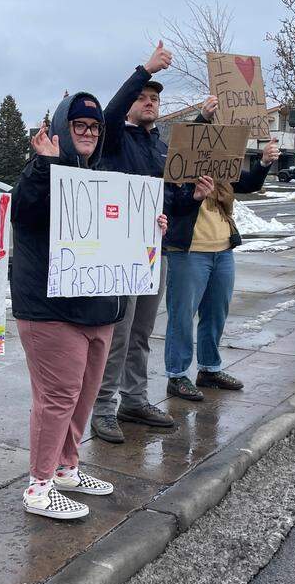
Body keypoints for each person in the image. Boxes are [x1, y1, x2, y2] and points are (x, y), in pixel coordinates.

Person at [10, 92, 168, 519]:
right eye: (79, 125)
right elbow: (23, 212)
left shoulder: (104, 178)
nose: (88, 133)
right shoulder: (40, 173)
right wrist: (44, 164)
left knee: (84, 396)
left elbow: (119, 234)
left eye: (94, 127)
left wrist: (147, 227)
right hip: (49, 311)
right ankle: (39, 486)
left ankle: (66, 468)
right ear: (63, 128)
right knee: (58, 396)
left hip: (99, 309)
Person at [88, 41, 218, 442]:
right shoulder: (114, 139)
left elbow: (171, 201)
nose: (149, 103)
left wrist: (193, 197)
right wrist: (145, 70)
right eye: (142, 98)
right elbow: (108, 114)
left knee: (141, 332)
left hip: (152, 251)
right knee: (118, 333)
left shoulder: (160, 147)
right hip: (118, 251)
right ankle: (104, 407)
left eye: (154, 100)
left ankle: (134, 399)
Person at [163, 135, 282, 401]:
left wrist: (263, 162)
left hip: (222, 251)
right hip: (189, 252)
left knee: (216, 314)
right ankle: (177, 374)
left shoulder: (220, 168)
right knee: (182, 316)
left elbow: (249, 183)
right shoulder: (177, 167)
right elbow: (172, 206)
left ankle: (209, 369)